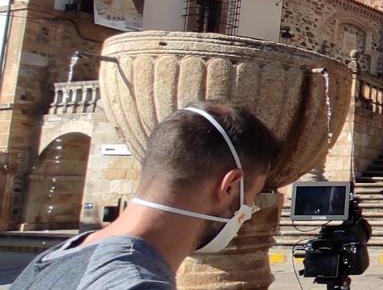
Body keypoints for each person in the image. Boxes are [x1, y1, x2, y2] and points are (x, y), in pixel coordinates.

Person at [12, 100, 281, 289]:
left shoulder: (52, 260)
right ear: (229, 187)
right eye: (251, 200)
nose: (247, 213)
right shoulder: (134, 282)